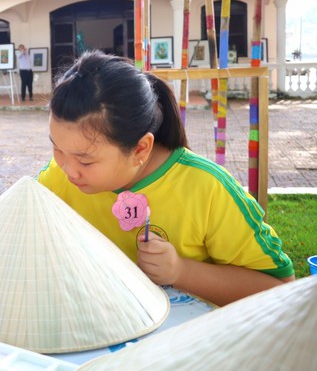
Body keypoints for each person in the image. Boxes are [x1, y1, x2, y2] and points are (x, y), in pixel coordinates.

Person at [37, 50, 294, 306]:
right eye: (57, 147)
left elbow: (281, 289)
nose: (68, 169)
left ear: (141, 149)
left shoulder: (206, 189)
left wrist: (181, 272)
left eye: (85, 160)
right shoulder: (57, 178)